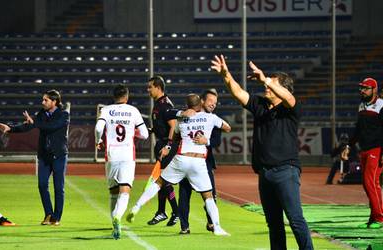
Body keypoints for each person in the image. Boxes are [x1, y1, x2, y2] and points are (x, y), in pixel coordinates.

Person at [211, 55, 313, 249]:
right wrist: (226, 75)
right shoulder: (260, 104)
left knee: (295, 219)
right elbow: (239, 93)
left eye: (272, 85)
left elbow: (289, 98)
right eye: (267, 84)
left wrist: (266, 79)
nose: (266, 87)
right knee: (274, 224)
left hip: (286, 171)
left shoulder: (290, 108)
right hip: (264, 173)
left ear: (282, 88)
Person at [126, 94, 231, 236]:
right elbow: (227, 127)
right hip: (198, 161)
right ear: (201, 103)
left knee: (158, 183)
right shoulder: (211, 118)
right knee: (208, 197)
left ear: (187, 106)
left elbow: (174, 136)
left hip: (181, 159)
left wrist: (169, 145)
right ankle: (217, 227)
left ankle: (137, 206)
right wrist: (207, 139)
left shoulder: (181, 119)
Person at [0, 89, 69, 226]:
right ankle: (48, 214)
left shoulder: (64, 115)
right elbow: (28, 126)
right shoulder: (41, 114)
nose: (43, 102)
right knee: (42, 185)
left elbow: (52, 127)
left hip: (59, 155)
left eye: (46, 100)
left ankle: (56, 217)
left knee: (58, 188)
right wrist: (10, 128)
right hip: (44, 155)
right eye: (43, 99)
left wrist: (35, 123)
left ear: (55, 102)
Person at [95, 84, 149, 239]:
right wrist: (133, 132)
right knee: (125, 190)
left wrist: (98, 141)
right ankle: (119, 216)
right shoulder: (133, 111)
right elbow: (145, 134)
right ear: (127, 96)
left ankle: (114, 223)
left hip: (111, 155)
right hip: (127, 155)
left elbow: (99, 128)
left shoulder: (105, 110)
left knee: (113, 192)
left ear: (114, 97)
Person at [178, 89, 222, 234]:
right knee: (184, 193)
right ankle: (185, 227)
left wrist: (206, 141)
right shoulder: (186, 116)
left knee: (211, 194)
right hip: (187, 159)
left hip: (205, 162)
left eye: (215, 103)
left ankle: (211, 223)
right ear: (202, 101)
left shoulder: (214, 119)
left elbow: (217, 141)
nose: (213, 105)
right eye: (210, 101)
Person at [342, 77, 383, 229]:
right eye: (361, 88)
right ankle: (375, 216)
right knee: (372, 184)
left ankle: (379, 218)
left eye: (366, 88)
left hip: (377, 149)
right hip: (365, 149)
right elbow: (357, 130)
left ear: (374, 90)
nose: (362, 90)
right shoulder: (362, 106)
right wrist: (348, 146)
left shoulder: (381, 105)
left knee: (369, 182)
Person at [146, 75, 180, 226]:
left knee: (164, 180)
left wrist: (168, 146)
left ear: (158, 88)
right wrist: (153, 129)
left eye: (150, 87)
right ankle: (162, 212)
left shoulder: (164, 104)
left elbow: (173, 125)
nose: (148, 90)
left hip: (166, 145)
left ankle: (175, 212)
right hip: (162, 142)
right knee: (161, 179)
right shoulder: (159, 103)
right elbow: (164, 124)